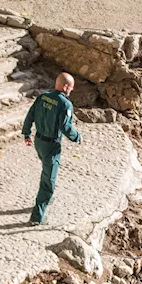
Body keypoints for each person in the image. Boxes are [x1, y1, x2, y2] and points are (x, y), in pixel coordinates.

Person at [21, 72, 82, 226]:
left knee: (46, 170)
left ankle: (47, 196)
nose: (71, 91)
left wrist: (26, 133)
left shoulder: (43, 97)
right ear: (66, 86)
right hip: (51, 145)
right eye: (71, 88)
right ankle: (37, 217)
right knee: (48, 181)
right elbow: (66, 127)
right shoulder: (65, 104)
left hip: (39, 142)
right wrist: (77, 137)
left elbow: (30, 115)